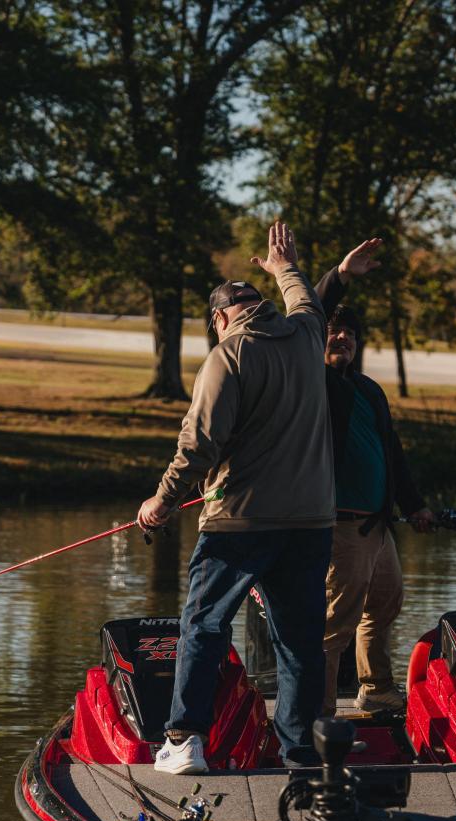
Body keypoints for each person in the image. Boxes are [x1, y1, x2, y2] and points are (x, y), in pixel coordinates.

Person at [136, 221, 333, 774]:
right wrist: (285, 267)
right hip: (312, 522)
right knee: (299, 641)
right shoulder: (308, 335)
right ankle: (300, 752)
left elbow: (198, 444)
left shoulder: (229, 356)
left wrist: (160, 502)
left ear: (220, 319)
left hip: (240, 524)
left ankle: (184, 741)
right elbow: (305, 300)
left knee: (203, 624)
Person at [311, 241, 435, 715]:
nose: (339, 338)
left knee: (382, 606)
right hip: (339, 526)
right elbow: (304, 319)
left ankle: (375, 690)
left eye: (347, 333)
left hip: (379, 528)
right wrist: (339, 273)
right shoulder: (312, 384)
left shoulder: (369, 390)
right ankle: (317, 717)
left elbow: (393, 456)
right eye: (331, 331)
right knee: (333, 627)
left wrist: (415, 506)